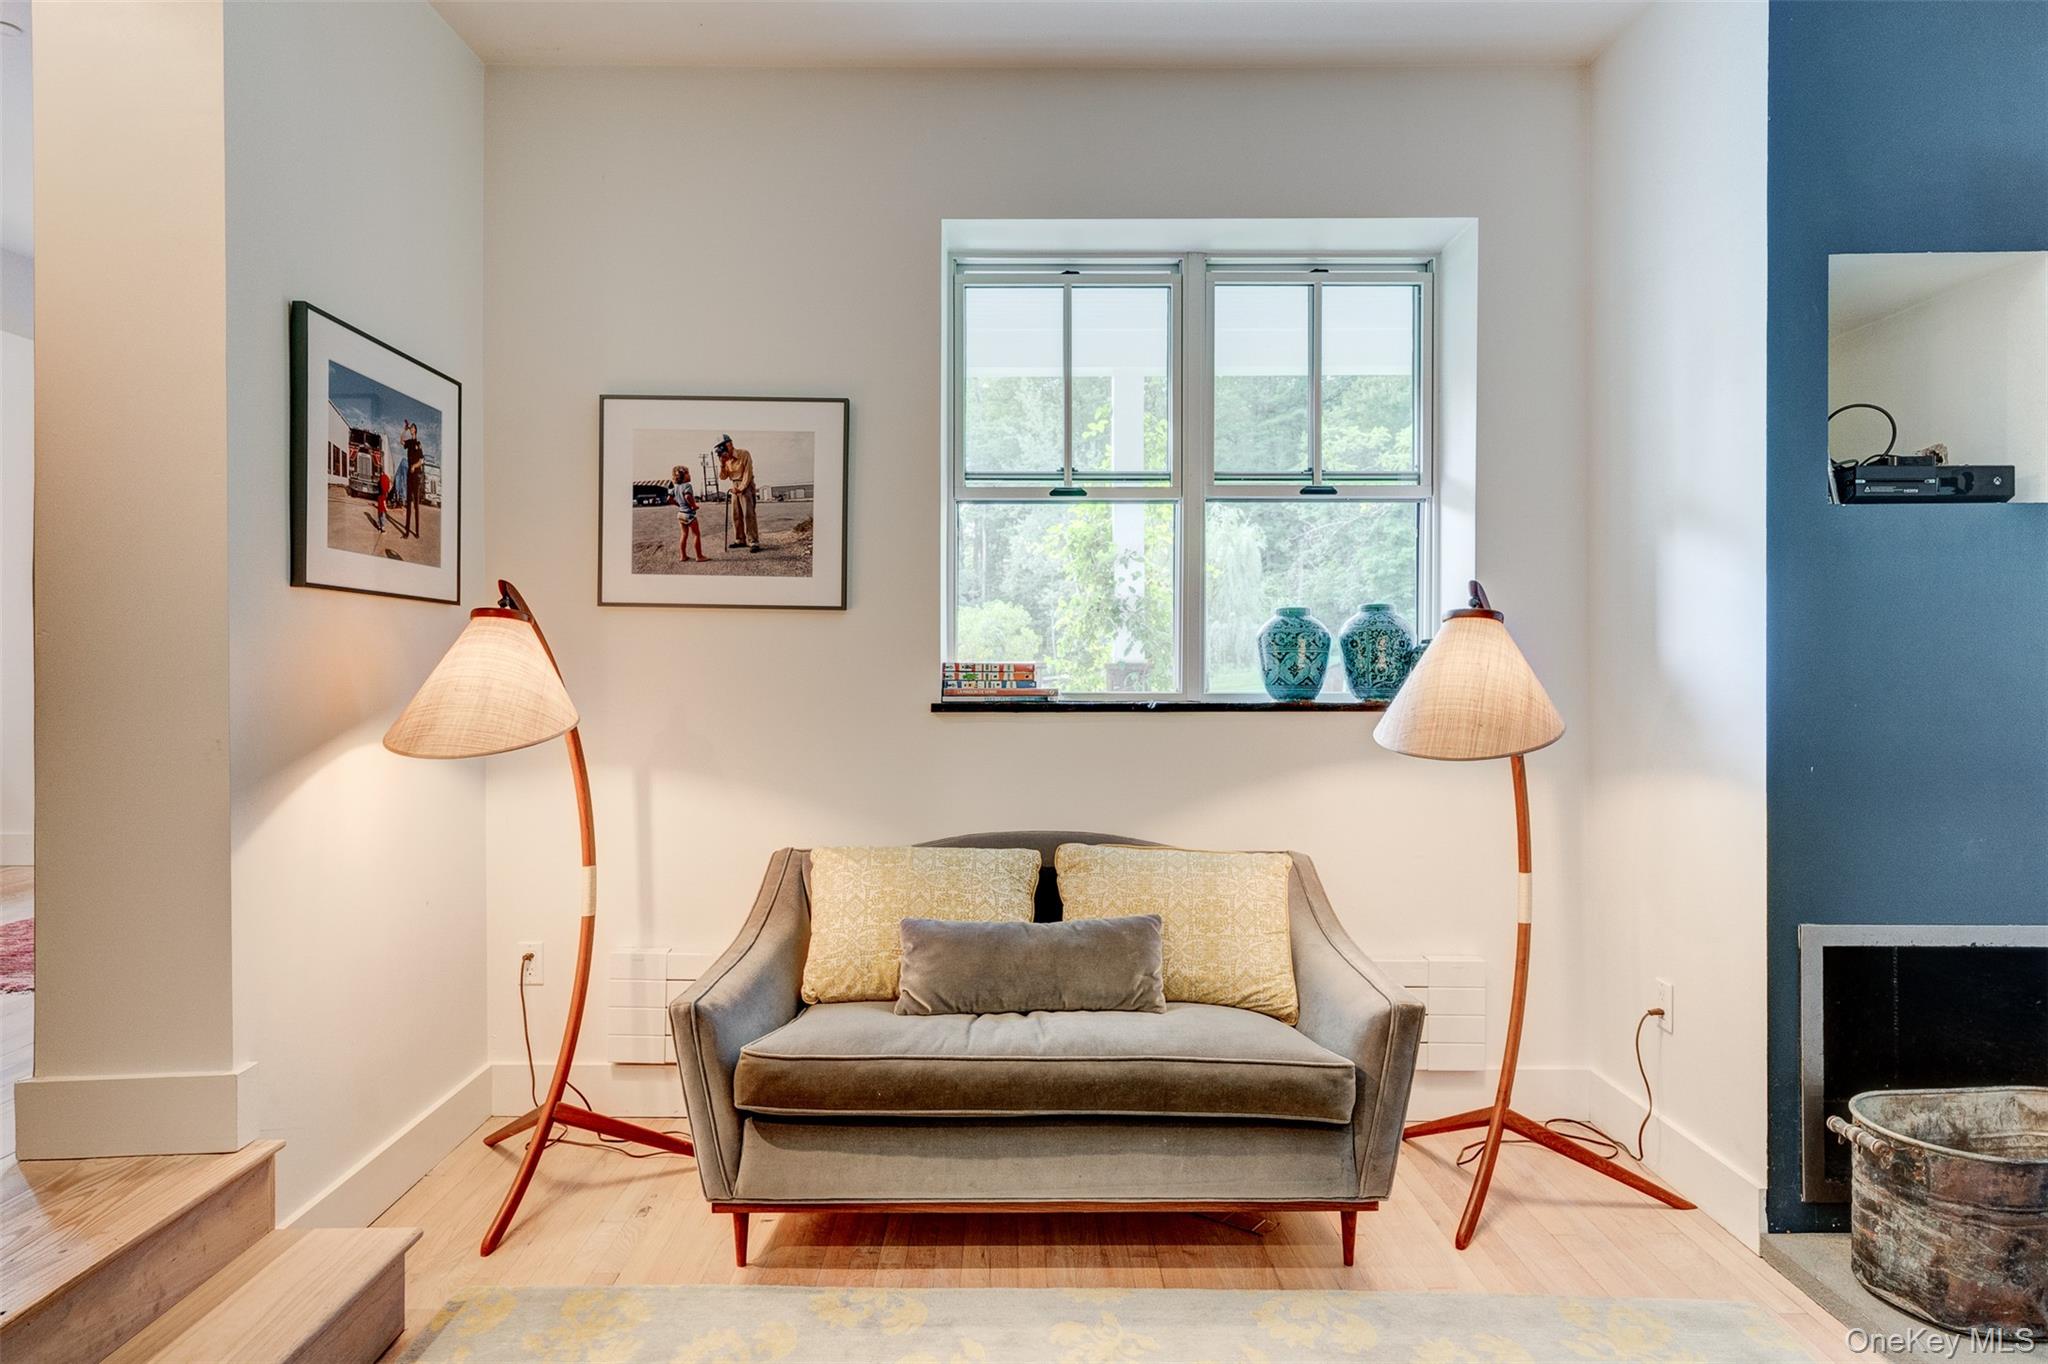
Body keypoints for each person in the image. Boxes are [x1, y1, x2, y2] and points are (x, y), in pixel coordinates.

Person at [716, 434, 761, 553]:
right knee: (736, 515)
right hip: (734, 486)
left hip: (746, 485)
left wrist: (741, 488)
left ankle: (753, 542)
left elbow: (748, 473)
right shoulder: (726, 460)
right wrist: (722, 464)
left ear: (729, 444)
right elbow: (723, 477)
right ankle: (740, 539)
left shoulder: (744, 454)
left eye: (722, 446)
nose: (721, 450)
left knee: (748, 514)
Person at [671, 465, 706, 562]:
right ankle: (699, 556)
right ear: (684, 475)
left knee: (684, 534)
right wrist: (694, 505)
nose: (690, 475)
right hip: (689, 514)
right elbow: (687, 497)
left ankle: (683, 556)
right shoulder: (687, 486)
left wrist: (678, 504)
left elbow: (669, 499)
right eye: (688, 473)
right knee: (696, 535)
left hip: (680, 514)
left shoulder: (676, 487)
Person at [402, 421, 426, 540]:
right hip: (409, 476)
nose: (410, 429)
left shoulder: (418, 443)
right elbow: (401, 441)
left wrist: (414, 466)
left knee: (416, 505)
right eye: (410, 428)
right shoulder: (410, 442)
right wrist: (404, 430)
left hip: (416, 476)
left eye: (411, 427)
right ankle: (406, 532)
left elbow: (422, 460)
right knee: (408, 505)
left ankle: (417, 532)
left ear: (415, 430)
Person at [372, 447, 391, 533]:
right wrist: (386, 507)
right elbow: (386, 488)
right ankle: (382, 527)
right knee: (383, 513)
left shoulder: (380, 480)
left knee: (379, 513)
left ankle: (379, 525)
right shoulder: (385, 478)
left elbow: (380, 487)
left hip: (379, 499)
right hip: (382, 498)